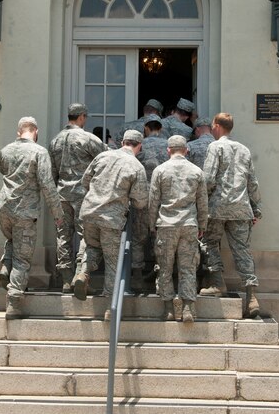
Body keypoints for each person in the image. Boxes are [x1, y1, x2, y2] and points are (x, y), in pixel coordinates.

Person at [73, 130, 149, 318]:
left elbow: (85, 181)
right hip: (111, 219)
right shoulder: (136, 166)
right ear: (139, 146)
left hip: (89, 212)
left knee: (92, 247)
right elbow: (141, 201)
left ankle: (83, 272)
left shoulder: (103, 155)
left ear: (122, 141)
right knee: (113, 262)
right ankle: (110, 308)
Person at [0, 116, 64, 319]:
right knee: (23, 259)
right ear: (36, 131)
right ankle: (14, 302)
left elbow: (1, 167)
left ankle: (6, 264)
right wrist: (58, 214)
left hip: (4, 208)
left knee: (12, 240)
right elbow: (47, 184)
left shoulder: (6, 150)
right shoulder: (39, 152)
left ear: (19, 132)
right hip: (25, 211)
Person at [200, 112, 263, 319]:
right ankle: (252, 297)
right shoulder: (244, 150)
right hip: (241, 207)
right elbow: (252, 182)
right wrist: (256, 208)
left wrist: (201, 204)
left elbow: (208, 179)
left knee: (210, 243)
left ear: (217, 126)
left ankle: (218, 283)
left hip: (217, 207)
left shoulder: (215, 147)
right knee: (242, 251)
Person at [148, 135, 209, 323]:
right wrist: (202, 224)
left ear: (168, 150)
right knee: (188, 267)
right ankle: (188, 307)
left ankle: (168, 308)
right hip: (189, 224)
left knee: (165, 267)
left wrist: (152, 224)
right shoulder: (196, 171)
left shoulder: (160, 170)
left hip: (166, 224)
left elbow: (153, 201)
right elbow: (203, 202)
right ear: (186, 150)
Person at [49, 103, 107, 292]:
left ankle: (66, 278)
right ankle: (81, 276)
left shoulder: (55, 141)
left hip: (61, 193)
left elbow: (52, 172)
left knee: (63, 236)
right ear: (82, 117)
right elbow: (107, 160)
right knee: (85, 234)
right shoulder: (88, 138)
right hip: (83, 194)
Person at [131, 114, 168, 290]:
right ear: (160, 128)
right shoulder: (169, 146)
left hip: (142, 199)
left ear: (145, 128)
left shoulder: (140, 146)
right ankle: (160, 276)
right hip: (163, 199)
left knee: (138, 238)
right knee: (160, 238)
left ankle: (137, 276)